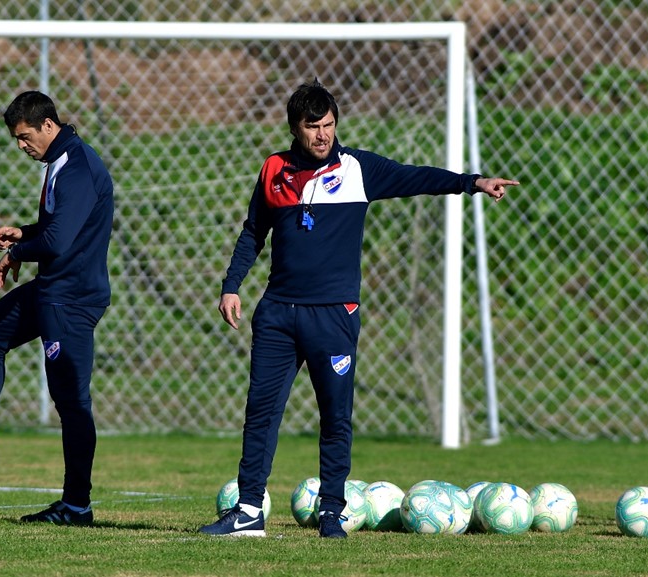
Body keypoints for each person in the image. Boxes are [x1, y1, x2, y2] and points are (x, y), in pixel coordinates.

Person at [199, 80, 518, 538]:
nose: (323, 135)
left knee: (335, 416)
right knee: (261, 412)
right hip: (277, 313)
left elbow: (418, 177)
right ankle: (248, 511)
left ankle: (332, 512)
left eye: (329, 125)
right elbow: (253, 232)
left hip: (333, 315)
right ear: (295, 128)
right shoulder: (273, 169)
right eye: (313, 127)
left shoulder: (357, 169)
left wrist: (473, 183)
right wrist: (232, 285)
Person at [0, 91, 114, 526]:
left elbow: (60, 241)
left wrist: (20, 251)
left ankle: (76, 506)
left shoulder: (77, 167)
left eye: (25, 137)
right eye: (16, 139)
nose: (21, 146)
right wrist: (23, 233)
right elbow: (58, 227)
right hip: (52, 289)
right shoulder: (60, 162)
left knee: (72, 402)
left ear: (49, 126)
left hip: (71, 299)